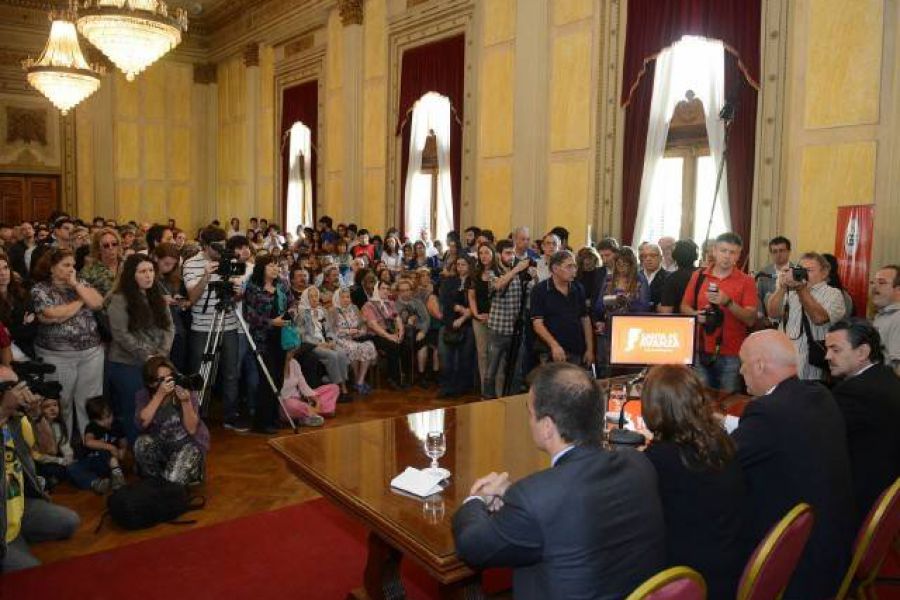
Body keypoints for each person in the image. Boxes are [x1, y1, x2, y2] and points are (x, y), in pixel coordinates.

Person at [452, 363, 664, 599]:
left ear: (547, 427)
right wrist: (515, 497)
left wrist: (475, 499)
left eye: (530, 413)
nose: (529, 420)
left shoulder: (535, 499)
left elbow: (471, 546)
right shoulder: (639, 465)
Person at [733, 329, 856, 599]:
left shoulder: (768, 412)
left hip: (797, 563)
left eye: (742, 363)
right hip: (834, 544)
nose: (740, 371)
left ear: (760, 365)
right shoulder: (820, 395)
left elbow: (723, 462)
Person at [642, 365, 746, 599]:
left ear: (653, 408)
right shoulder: (723, 443)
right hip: (730, 570)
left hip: (688, 583)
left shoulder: (657, 461)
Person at [0, 371, 80, 571]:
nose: (17, 393)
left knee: (69, 522)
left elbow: (49, 448)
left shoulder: (16, 420)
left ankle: (17, 538)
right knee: (32, 575)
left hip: (18, 505)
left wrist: (36, 415)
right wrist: (2, 412)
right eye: (9, 387)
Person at [825, 318, 900, 520]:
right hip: (887, 490)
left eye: (835, 350)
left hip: (860, 502)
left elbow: (820, 436)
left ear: (862, 352)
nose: (827, 356)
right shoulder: (886, 376)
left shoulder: (855, 392)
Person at [31, 248, 105, 440]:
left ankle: (89, 441)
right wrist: (82, 300)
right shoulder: (40, 289)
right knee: (61, 402)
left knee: (89, 401)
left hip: (91, 353)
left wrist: (77, 287)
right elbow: (54, 315)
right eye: (66, 265)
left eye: (73, 265)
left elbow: (97, 303)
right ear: (52, 268)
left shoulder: (80, 283)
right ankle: (64, 444)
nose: (71, 269)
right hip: (57, 356)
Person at [183, 226, 247, 431]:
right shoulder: (192, 263)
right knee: (200, 372)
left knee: (231, 372)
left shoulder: (230, 261)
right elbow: (191, 298)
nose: (220, 250)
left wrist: (238, 292)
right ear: (205, 246)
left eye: (223, 244)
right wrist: (205, 276)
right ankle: (196, 415)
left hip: (229, 323)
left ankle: (230, 415)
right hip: (202, 325)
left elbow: (236, 295)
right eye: (215, 246)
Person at [106, 254, 174, 444]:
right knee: (134, 410)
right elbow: (121, 335)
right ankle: (138, 452)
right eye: (142, 271)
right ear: (131, 275)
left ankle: (155, 450)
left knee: (158, 406)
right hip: (127, 363)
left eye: (151, 271)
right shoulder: (119, 299)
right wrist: (149, 355)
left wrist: (161, 353)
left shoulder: (157, 296)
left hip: (156, 361)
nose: (148, 275)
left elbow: (169, 327)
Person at [681, 232, 757, 392]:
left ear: (738, 255)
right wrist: (696, 315)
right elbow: (684, 307)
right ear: (714, 251)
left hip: (732, 353)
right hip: (699, 349)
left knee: (728, 403)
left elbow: (750, 319)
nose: (727, 256)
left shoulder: (747, 281)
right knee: (699, 400)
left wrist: (727, 302)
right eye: (723, 251)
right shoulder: (699, 276)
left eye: (732, 252)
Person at [766, 252, 846, 381]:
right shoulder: (790, 291)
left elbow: (819, 318)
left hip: (810, 367)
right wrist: (781, 287)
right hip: (782, 362)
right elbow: (772, 313)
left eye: (808, 270)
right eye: (800, 270)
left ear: (824, 273)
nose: (803, 274)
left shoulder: (833, 294)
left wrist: (801, 289)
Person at [134, 355, 208, 485]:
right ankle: (157, 480)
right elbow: (141, 424)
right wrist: (159, 396)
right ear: (151, 383)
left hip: (187, 445)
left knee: (172, 481)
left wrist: (186, 402)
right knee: (141, 443)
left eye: (171, 376)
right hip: (162, 444)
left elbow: (192, 429)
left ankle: (192, 472)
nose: (169, 381)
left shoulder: (186, 392)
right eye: (163, 379)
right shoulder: (144, 395)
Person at [242, 255, 291, 433]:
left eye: (277, 265)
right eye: (271, 265)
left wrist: (288, 316)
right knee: (266, 379)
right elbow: (249, 315)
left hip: (282, 336)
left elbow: (291, 305)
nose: (275, 268)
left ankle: (274, 416)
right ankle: (262, 422)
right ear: (262, 268)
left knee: (278, 378)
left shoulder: (283, 285)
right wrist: (271, 322)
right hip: (263, 338)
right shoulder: (253, 288)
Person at [482, 239, 533, 398]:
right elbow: (497, 286)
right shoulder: (492, 272)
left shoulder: (518, 273)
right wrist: (517, 269)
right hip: (497, 330)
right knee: (491, 371)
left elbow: (530, 293)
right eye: (508, 253)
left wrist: (533, 277)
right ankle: (488, 401)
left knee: (515, 371)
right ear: (498, 255)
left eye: (513, 253)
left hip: (515, 331)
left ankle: (511, 402)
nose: (511, 257)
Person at [531, 251, 594, 367]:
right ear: (555, 268)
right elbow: (537, 324)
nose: (574, 270)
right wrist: (554, 345)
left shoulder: (578, 288)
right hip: (550, 351)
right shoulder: (540, 290)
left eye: (575, 266)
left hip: (575, 349)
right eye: (569, 267)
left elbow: (585, 319)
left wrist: (590, 349)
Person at [296, 287, 352, 400]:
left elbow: (330, 330)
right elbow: (302, 335)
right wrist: (318, 344)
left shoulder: (323, 311)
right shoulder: (301, 313)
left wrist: (331, 340)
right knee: (333, 355)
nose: (314, 299)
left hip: (325, 341)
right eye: (311, 297)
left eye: (316, 296)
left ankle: (343, 386)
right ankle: (339, 389)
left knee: (341, 352)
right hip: (313, 344)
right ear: (306, 298)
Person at [70, 396, 127, 493]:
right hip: (94, 461)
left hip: (111, 463)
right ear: (93, 420)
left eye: (109, 416)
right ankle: (96, 483)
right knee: (72, 468)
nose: (107, 421)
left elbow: (123, 443)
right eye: (101, 419)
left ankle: (117, 476)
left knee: (105, 451)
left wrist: (121, 453)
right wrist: (111, 447)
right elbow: (88, 442)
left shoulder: (117, 425)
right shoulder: (92, 427)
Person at [437, 256, 476, 397]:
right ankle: (446, 387)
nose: (460, 267)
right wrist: (457, 308)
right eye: (458, 264)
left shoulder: (474, 282)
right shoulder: (449, 281)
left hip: (468, 324)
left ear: (470, 266)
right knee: (446, 357)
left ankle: (461, 388)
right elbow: (445, 300)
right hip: (449, 322)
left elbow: (478, 303)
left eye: (463, 264)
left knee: (464, 358)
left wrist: (465, 315)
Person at [329, 288, 378, 395]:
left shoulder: (354, 308)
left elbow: (362, 324)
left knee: (369, 345)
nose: (347, 300)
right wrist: (348, 331)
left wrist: (361, 331)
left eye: (348, 297)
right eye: (343, 297)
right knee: (354, 348)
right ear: (338, 298)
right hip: (341, 339)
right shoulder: (333, 311)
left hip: (356, 337)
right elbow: (331, 331)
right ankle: (357, 380)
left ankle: (360, 380)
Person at [153, 242, 190, 372]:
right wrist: (160, 300)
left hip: (177, 328)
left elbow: (184, 301)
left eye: (173, 265)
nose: (169, 268)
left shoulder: (174, 279)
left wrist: (180, 301)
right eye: (166, 264)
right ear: (156, 258)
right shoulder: (149, 277)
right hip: (159, 330)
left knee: (177, 367)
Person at [468, 243, 499, 389]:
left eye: (487, 252)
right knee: (482, 354)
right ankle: (484, 388)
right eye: (481, 253)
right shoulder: (474, 274)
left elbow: (500, 298)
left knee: (495, 354)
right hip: (478, 319)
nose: (484, 256)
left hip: (496, 318)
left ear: (493, 254)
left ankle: (495, 387)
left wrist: (491, 315)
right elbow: (472, 297)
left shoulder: (500, 273)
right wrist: (476, 315)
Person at [395, 278, 431, 387]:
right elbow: (394, 324)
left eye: (407, 290)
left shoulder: (418, 303)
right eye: (402, 290)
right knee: (405, 345)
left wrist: (423, 331)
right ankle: (406, 375)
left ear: (411, 290)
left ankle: (421, 375)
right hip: (402, 334)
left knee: (423, 345)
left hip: (418, 331)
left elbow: (426, 319)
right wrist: (407, 325)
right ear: (398, 292)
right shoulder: (395, 305)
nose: (405, 293)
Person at [0, 254, 36, 359]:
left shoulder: (22, 293)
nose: (3, 273)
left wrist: (9, 331)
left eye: (5, 268)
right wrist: (22, 324)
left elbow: (33, 328)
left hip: (27, 350)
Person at [871, 264, 900, 375]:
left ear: (898, 290)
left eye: (882, 283)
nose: (874, 287)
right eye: (873, 282)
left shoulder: (898, 318)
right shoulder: (882, 315)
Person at [78, 227, 123, 298]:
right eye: (106, 246)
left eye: (114, 244)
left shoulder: (128, 265)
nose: (111, 248)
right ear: (98, 249)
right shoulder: (88, 272)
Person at [657, 239, 698, 314]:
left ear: (674, 256)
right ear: (695, 256)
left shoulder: (672, 279)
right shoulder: (703, 274)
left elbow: (666, 312)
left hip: (680, 322)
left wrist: (658, 307)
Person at [756, 236, 792, 318]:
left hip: (793, 319)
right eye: (774, 251)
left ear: (789, 252)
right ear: (771, 254)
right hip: (770, 321)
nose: (778, 254)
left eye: (781, 251)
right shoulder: (763, 273)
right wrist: (762, 318)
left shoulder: (797, 271)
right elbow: (758, 297)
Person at [638, 242, 668, 312]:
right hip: (636, 318)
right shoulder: (635, 276)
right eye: (644, 256)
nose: (648, 259)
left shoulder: (668, 278)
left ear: (661, 258)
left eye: (652, 255)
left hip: (658, 319)